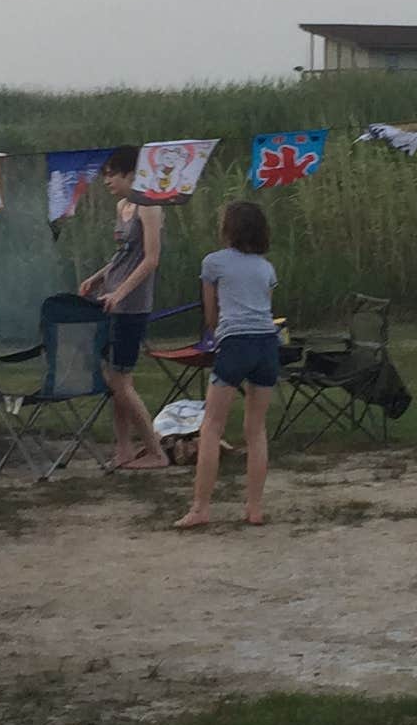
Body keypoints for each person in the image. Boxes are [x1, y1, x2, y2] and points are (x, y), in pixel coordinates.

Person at [177, 198, 280, 531]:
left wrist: (216, 335)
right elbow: (265, 308)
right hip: (267, 345)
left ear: (228, 229)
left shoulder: (213, 263)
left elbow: (211, 315)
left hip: (234, 345)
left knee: (212, 426)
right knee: (256, 429)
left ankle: (200, 507)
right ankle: (254, 507)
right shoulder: (266, 268)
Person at [78, 145, 169, 471]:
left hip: (131, 306)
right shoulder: (123, 207)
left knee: (122, 381)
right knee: (112, 378)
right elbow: (122, 256)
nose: (107, 181)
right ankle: (124, 448)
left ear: (131, 173)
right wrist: (99, 278)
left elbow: (151, 259)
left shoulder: (150, 206)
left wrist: (121, 293)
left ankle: (156, 452)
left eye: (112, 174)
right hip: (111, 299)